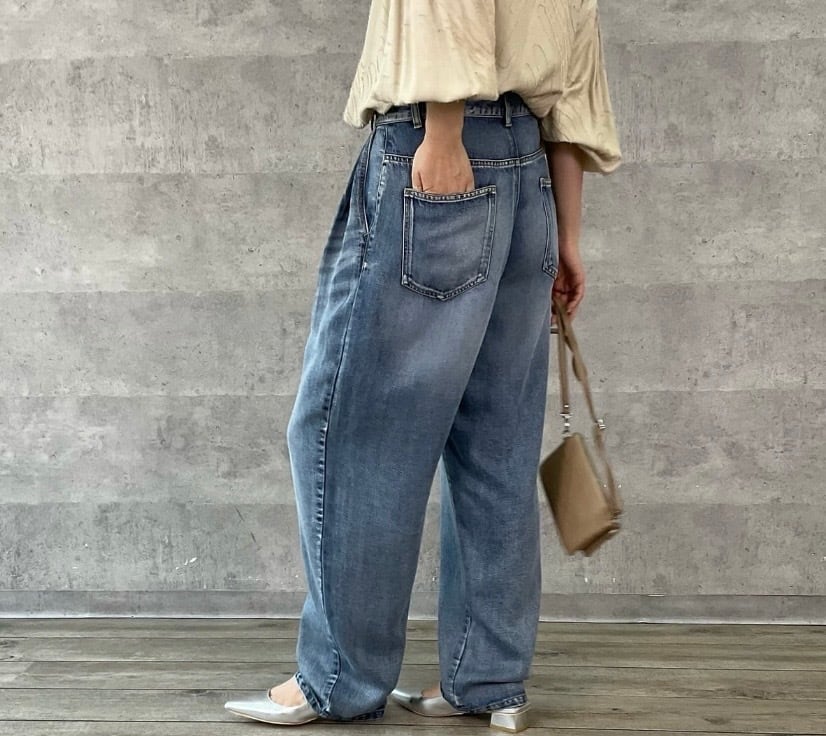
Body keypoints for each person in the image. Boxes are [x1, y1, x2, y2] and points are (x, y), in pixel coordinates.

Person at [224, 0, 621, 730]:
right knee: (494, 440)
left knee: (352, 431)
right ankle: (489, 681)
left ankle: (339, 680)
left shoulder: (441, 128)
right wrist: (568, 233)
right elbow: (575, 81)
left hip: (440, 149)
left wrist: (442, 130)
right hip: (531, 172)